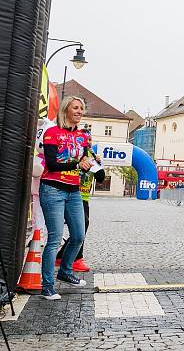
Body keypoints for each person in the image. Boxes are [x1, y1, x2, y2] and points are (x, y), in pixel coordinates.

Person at [39, 96, 93, 300]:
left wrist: (92, 167)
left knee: (79, 235)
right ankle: (47, 286)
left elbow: (83, 160)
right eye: (76, 108)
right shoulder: (52, 132)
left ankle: (65, 270)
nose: (80, 111)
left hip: (74, 191)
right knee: (54, 239)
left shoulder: (82, 136)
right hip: (52, 189)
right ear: (66, 110)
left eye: (82, 108)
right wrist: (77, 165)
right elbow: (52, 164)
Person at [56, 144, 105, 272]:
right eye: (86, 141)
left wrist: (99, 164)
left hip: (84, 198)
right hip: (72, 195)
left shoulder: (92, 158)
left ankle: (61, 256)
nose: (89, 144)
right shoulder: (73, 155)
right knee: (81, 226)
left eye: (90, 141)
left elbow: (100, 179)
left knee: (81, 228)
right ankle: (76, 259)